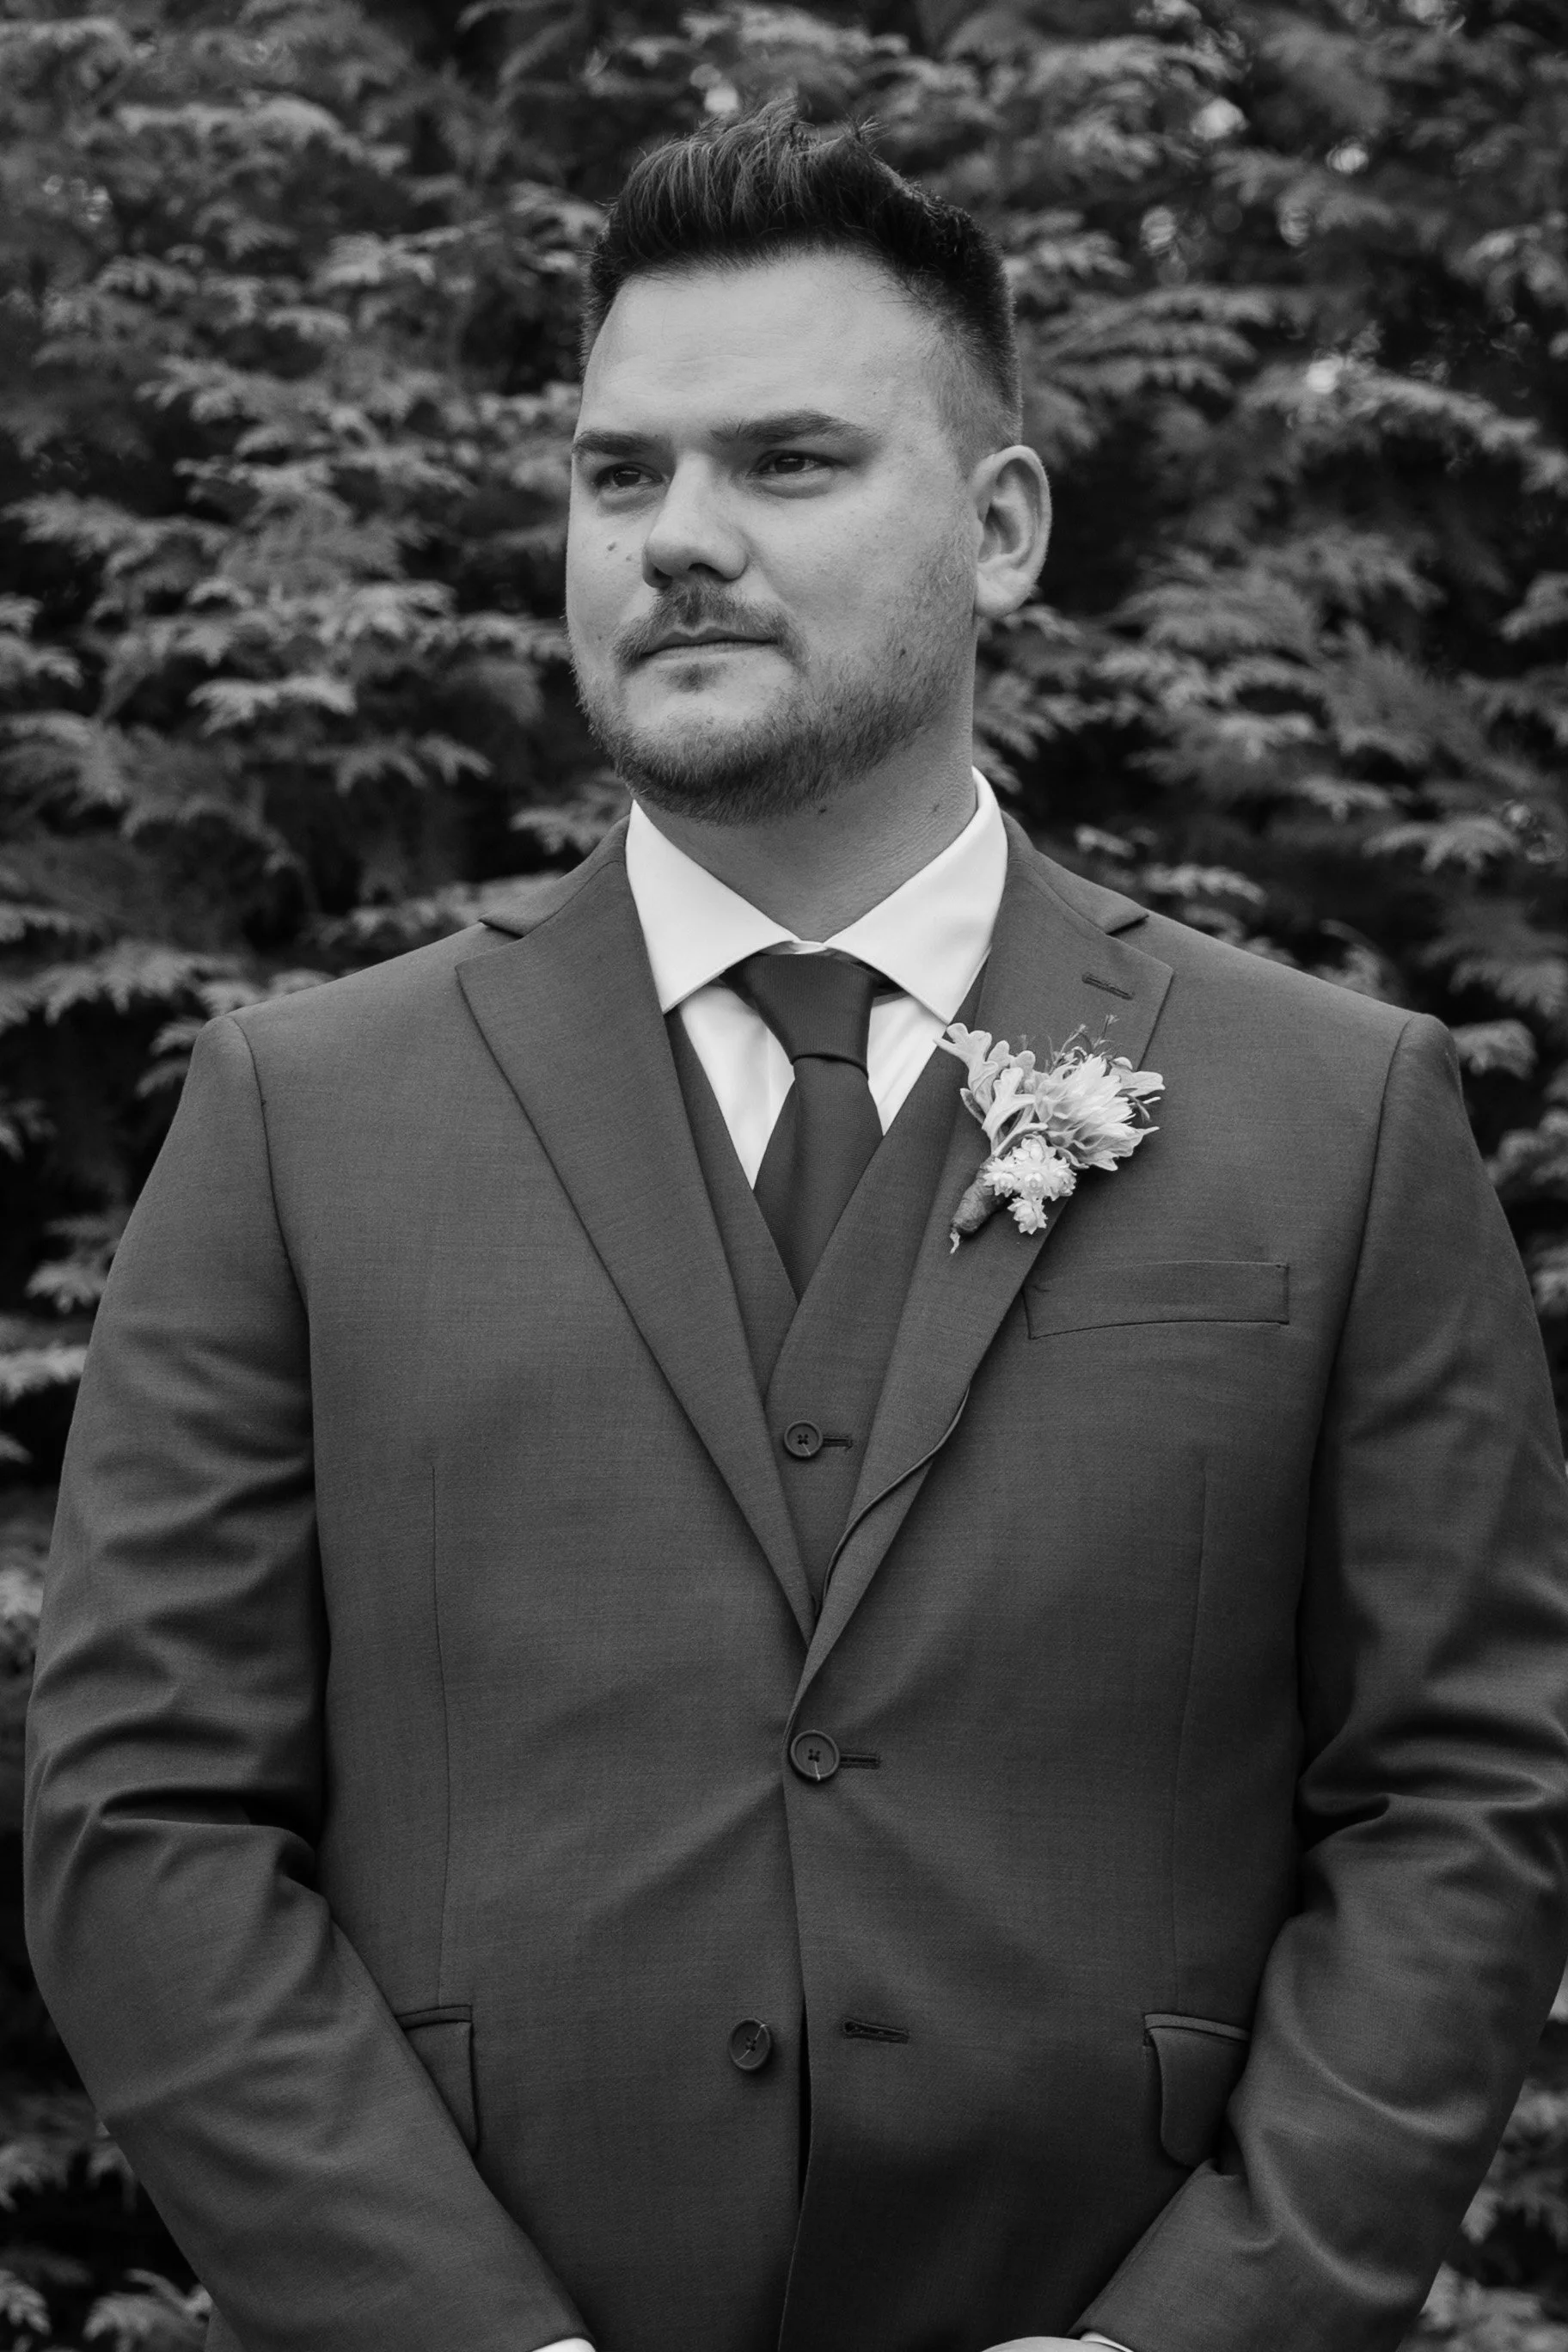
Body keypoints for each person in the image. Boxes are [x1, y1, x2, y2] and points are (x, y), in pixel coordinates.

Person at [22, 105, 1568, 2352]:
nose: (678, 541)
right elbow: (144, 1822)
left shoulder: (1333, 1114)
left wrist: (1202, 2336)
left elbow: (1470, 1797)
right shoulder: (300, 1119)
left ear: (1005, 527)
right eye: (620, 475)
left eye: (789, 463)